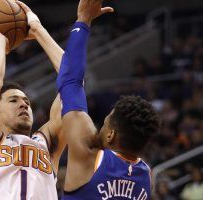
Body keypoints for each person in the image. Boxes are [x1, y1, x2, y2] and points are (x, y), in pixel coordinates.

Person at [56, 0, 160, 199]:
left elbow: (71, 81)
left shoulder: (89, 156)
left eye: (104, 123)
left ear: (111, 135)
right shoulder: (146, 177)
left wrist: (83, 20)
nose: (99, 128)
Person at [0, 2, 66, 199]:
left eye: (27, 102)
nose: (23, 104)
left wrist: (38, 31)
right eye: (13, 101)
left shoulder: (47, 144)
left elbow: (73, 83)